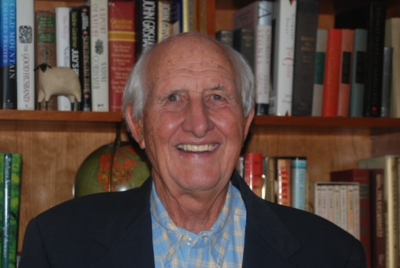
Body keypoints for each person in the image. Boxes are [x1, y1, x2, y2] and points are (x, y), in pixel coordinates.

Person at [20, 32, 366, 268]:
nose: (199, 124)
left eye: (217, 97)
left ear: (245, 123)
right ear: (137, 125)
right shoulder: (58, 245)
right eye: (173, 98)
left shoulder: (332, 254)